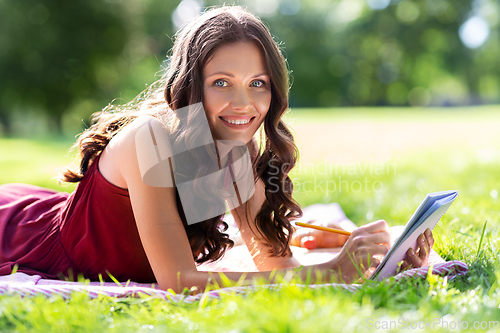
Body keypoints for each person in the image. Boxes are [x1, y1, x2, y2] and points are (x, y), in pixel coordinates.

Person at [0, 5, 434, 291]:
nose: (243, 104)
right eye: (221, 83)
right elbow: (180, 282)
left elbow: (278, 272)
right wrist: (332, 270)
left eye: (257, 84)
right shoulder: (150, 137)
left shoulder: (237, 151)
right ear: (191, 85)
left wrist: (379, 263)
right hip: (20, 238)